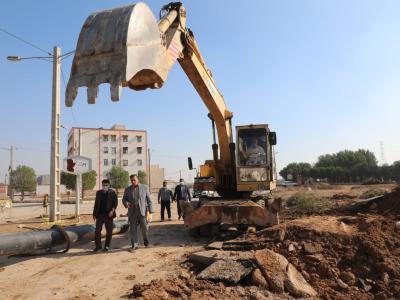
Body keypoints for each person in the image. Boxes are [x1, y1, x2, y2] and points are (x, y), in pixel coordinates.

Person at [122, 174, 154, 251]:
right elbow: (124, 200)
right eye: (131, 180)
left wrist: (151, 212)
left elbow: (149, 200)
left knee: (145, 228)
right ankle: (134, 245)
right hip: (132, 212)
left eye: (134, 180)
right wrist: (126, 203)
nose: (133, 182)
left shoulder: (144, 187)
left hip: (142, 211)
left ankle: (145, 240)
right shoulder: (127, 189)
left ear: (137, 180)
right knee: (133, 229)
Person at [93, 179, 118, 252]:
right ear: (102, 185)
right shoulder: (98, 193)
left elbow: (115, 203)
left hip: (109, 215)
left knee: (109, 231)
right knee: (97, 231)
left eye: (106, 185)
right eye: (103, 185)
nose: (105, 186)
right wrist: (94, 214)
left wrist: (112, 211)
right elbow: (96, 204)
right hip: (100, 215)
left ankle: (107, 246)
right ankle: (98, 246)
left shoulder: (112, 193)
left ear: (109, 185)